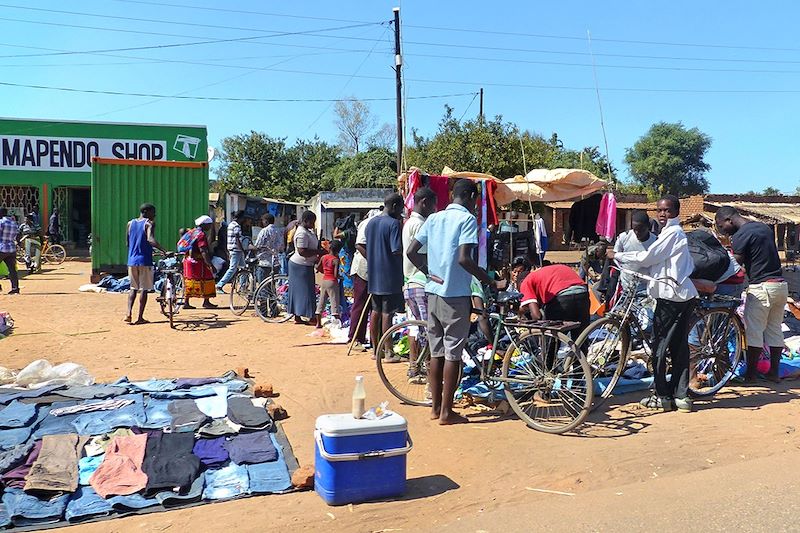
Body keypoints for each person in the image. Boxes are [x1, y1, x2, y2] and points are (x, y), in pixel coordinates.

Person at [408, 179, 495, 425]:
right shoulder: (466, 220)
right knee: (453, 354)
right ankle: (447, 412)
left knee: (436, 353)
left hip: (433, 292)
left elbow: (412, 251)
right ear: (469, 196)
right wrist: (488, 281)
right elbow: (464, 259)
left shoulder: (434, 218)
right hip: (454, 295)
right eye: (475, 199)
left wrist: (428, 272)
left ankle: (435, 408)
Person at [608, 195, 698, 412]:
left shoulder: (673, 233)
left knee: (660, 345)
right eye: (659, 210)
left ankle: (663, 396)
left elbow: (648, 258)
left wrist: (617, 255)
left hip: (671, 297)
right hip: (679, 295)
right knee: (678, 345)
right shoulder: (669, 234)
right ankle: (680, 396)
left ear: (677, 211)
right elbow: (657, 263)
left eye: (667, 210)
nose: (662, 214)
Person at [715, 206, 787, 383]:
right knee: (774, 330)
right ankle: (773, 373)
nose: (721, 230)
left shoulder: (741, 235)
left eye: (720, 225)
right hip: (780, 286)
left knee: (754, 331)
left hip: (762, 287)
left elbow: (735, 265)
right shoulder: (763, 227)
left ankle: (751, 375)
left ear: (729, 221)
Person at [402, 187, 437, 375]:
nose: (434, 208)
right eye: (433, 204)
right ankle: (428, 369)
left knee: (415, 326)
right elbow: (418, 254)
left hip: (410, 282)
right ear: (424, 202)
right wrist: (429, 272)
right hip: (421, 282)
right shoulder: (420, 224)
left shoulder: (409, 222)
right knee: (429, 329)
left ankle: (414, 366)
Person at [366, 193, 405, 356]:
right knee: (387, 313)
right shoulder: (394, 224)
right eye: (401, 208)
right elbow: (396, 250)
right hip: (390, 275)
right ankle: (388, 350)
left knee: (375, 311)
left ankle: (376, 349)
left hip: (374, 274)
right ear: (395, 206)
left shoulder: (371, 223)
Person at [519, 262, 590, 341]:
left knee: (551, 340)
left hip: (562, 298)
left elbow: (537, 316)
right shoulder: (548, 272)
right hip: (582, 293)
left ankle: (549, 352)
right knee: (581, 339)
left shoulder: (525, 282)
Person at [125, 203, 166, 325]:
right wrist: (163, 250)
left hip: (132, 261)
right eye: (153, 212)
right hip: (145, 261)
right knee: (144, 289)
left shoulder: (130, 224)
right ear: (147, 212)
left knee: (133, 288)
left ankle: (128, 313)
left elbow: (128, 243)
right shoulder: (149, 223)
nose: (155, 215)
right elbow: (150, 239)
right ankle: (140, 317)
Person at [348, 209, 380, 350]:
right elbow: (360, 245)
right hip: (363, 268)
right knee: (360, 304)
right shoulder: (367, 224)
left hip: (375, 270)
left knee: (376, 306)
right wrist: (373, 260)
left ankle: (375, 340)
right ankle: (355, 338)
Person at [287, 210, 320, 324]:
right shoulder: (302, 233)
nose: (313, 225)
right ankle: (310, 317)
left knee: (305, 291)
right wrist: (319, 251)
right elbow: (302, 251)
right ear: (305, 221)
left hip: (305, 264)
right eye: (312, 222)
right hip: (300, 265)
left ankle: (299, 316)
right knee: (304, 292)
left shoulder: (307, 231)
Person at [181, 215, 218, 310]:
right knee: (208, 278)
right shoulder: (201, 234)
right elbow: (203, 250)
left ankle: (186, 302)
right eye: (209, 225)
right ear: (204, 225)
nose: (210, 227)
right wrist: (209, 264)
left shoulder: (192, 231)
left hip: (188, 260)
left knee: (189, 280)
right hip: (198, 261)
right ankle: (206, 301)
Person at [215, 210, 245, 294]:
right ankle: (219, 285)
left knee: (243, 267)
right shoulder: (237, 226)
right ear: (241, 218)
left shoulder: (231, 225)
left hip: (232, 249)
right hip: (236, 249)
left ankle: (242, 286)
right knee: (232, 268)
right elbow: (238, 239)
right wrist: (242, 249)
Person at [316, 239, 342, 328]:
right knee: (334, 301)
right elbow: (335, 274)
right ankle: (335, 323)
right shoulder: (335, 260)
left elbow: (318, 267)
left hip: (324, 281)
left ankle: (318, 323)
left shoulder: (324, 257)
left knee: (322, 301)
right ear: (338, 250)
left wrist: (324, 271)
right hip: (332, 282)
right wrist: (340, 277)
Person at [254, 213, 284, 282]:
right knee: (272, 286)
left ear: (266, 221)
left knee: (263, 288)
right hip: (275, 263)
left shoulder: (264, 231)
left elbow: (258, 245)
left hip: (265, 263)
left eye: (263, 220)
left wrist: (251, 247)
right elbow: (282, 247)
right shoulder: (279, 231)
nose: (262, 222)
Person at [333, 214, 357, 298]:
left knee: (345, 273)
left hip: (345, 254)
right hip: (351, 254)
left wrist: (337, 227)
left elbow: (335, 236)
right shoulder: (354, 231)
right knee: (349, 272)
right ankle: (351, 291)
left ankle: (346, 292)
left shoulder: (346, 232)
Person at [0, 207, 20, 294]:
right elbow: (17, 236)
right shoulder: (14, 223)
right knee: (12, 270)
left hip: (2, 248)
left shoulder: (1, 222)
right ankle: (15, 288)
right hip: (11, 249)